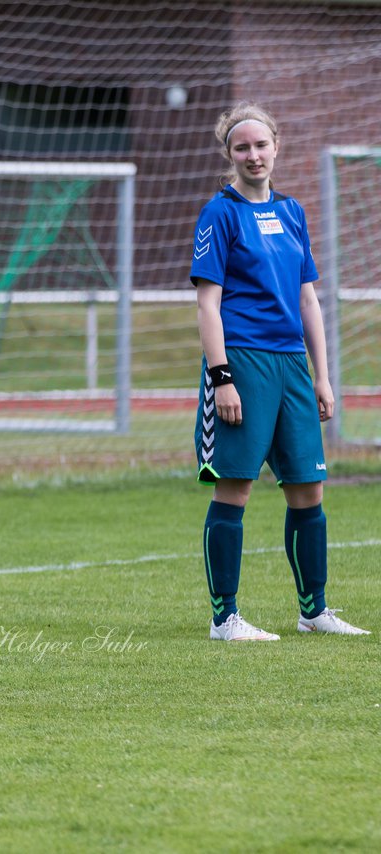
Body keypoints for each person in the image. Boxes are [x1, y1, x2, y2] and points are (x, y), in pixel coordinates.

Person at [190, 102, 370, 641]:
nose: (253, 155)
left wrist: (321, 375)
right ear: (230, 155)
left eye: (261, 145)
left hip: (293, 364)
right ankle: (225, 618)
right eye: (241, 147)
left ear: (276, 147)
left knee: (308, 488)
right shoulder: (219, 214)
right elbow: (207, 304)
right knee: (235, 488)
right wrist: (221, 376)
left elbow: (308, 300)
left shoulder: (293, 211)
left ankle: (313, 611)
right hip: (242, 360)